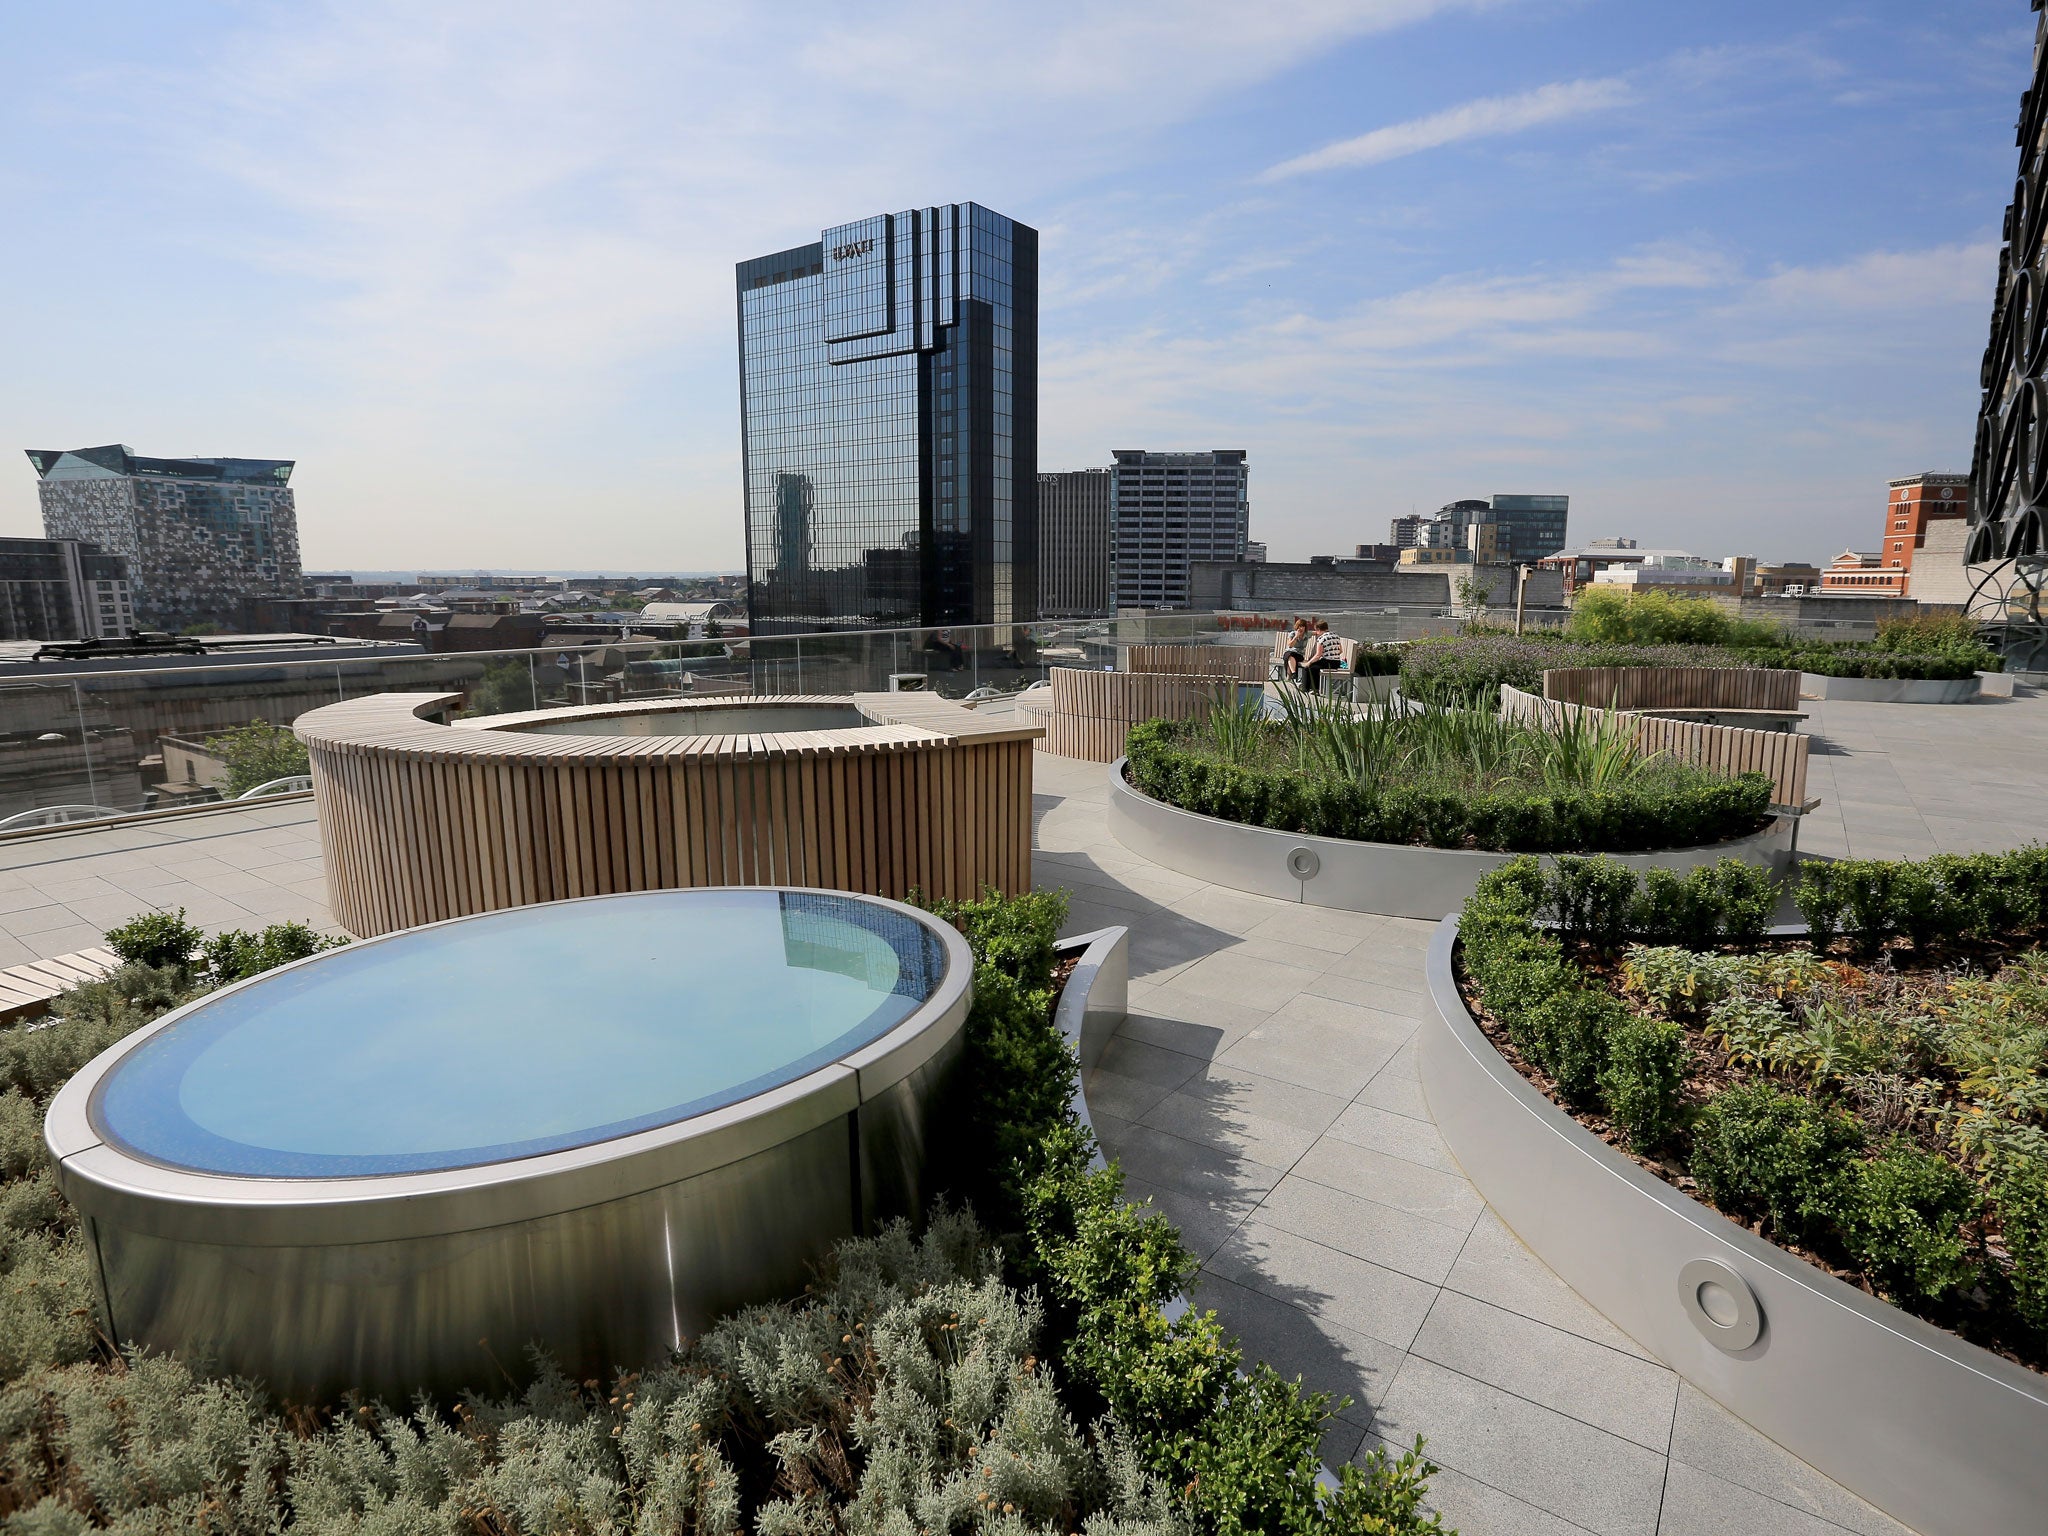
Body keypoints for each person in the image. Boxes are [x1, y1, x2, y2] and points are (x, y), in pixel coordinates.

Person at [1301, 619, 1346, 695]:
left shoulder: (1321, 638)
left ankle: (1310, 689)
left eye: (1316, 631)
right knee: (1314, 666)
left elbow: (1318, 655)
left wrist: (1308, 662)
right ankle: (1311, 688)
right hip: (1336, 663)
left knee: (1309, 667)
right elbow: (1340, 651)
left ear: (1318, 629)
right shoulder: (1336, 636)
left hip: (1327, 663)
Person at [1280, 617, 1311, 685]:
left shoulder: (1307, 634)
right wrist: (1296, 637)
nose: (1301, 628)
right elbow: (1290, 645)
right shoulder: (1292, 634)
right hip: (1289, 652)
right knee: (1290, 655)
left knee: (1289, 657)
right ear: (1297, 627)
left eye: (1303, 626)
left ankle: (1289, 677)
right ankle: (1294, 673)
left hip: (1299, 654)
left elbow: (1318, 632)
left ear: (1305, 627)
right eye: (1299, 626)